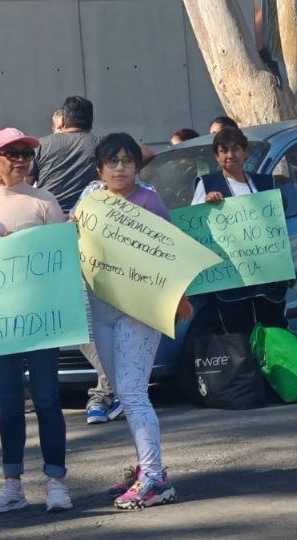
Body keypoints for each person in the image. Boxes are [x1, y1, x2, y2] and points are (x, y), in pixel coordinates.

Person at [73, 133, 191, 510]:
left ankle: (154, 480)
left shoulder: (148, 200)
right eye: (113, 161)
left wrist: (179, 295)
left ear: (137, 166)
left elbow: (171, 250)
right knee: (122, 393)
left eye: (127, 160)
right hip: (100, 309)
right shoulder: (91, 200)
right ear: (99, 168)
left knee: (134, 390)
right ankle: (147, 468)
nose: (120, 166)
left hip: (139, 309)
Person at [0, 127, 72, 514]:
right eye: (12, 153)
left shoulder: (44, 200)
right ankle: (12, 484)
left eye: (26, 152)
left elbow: (62, 257)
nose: (22, 159)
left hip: (41, 320)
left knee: (47, 399)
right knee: (8, 403)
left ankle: (56, 481)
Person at [31, 95, 122, 425]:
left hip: (52, 237)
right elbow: (145, 155)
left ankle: (110, 387)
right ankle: (110, 387)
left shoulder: (42, 145)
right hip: (93, 235)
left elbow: (27, 187)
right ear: (89, 120)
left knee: (71, 322)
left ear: (62, 119)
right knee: (87, 317)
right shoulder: (99, 145)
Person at [191, 127, 288, 334]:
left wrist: (288, 266)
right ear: (216, 157)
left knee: (274, 329)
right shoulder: (207, 186)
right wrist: (206, 206)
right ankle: (248, 367)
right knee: (239, 332)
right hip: (232, 278)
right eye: (223, 150)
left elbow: (278, 229)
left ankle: (275, 366)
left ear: (245, 152)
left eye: (235, 149)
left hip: (267, 276)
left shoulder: (264, 184)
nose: (230, 155)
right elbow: (195, 227)